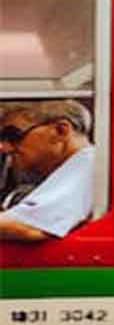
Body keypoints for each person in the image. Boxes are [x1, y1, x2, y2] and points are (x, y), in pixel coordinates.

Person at [0, 100, 95, 242]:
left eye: (13, 136)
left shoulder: (88, 165)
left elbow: (28, 226)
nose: (4, 147)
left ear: (60, 131)